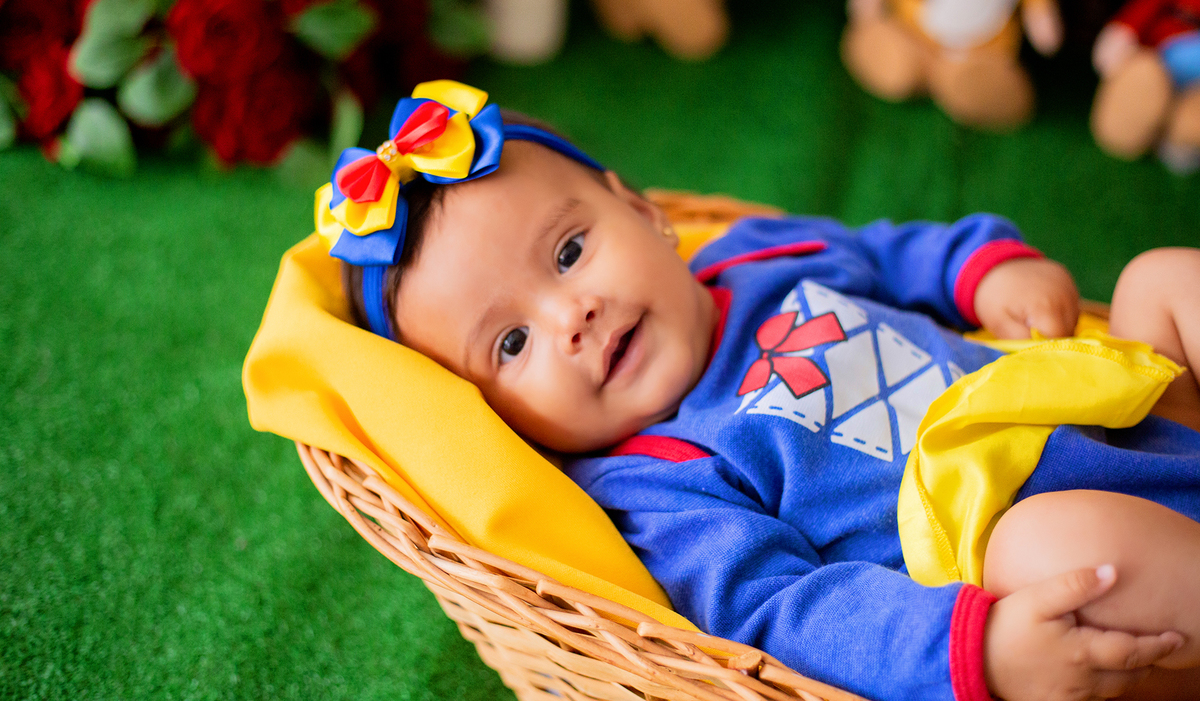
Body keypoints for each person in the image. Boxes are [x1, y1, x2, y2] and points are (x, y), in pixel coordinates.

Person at [317, 80, 1200, 701]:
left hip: (1103, 406)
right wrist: (973, 650)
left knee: (1164, 280)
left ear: (644, 213)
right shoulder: (656, 484)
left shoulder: (754, 253)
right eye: (511, 343)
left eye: (569, 252)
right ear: (499, 418)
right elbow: (788, 611)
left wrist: (981, 268)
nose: (572, 316)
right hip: (1026, 538)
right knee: (1056, 541)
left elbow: (888, 251)